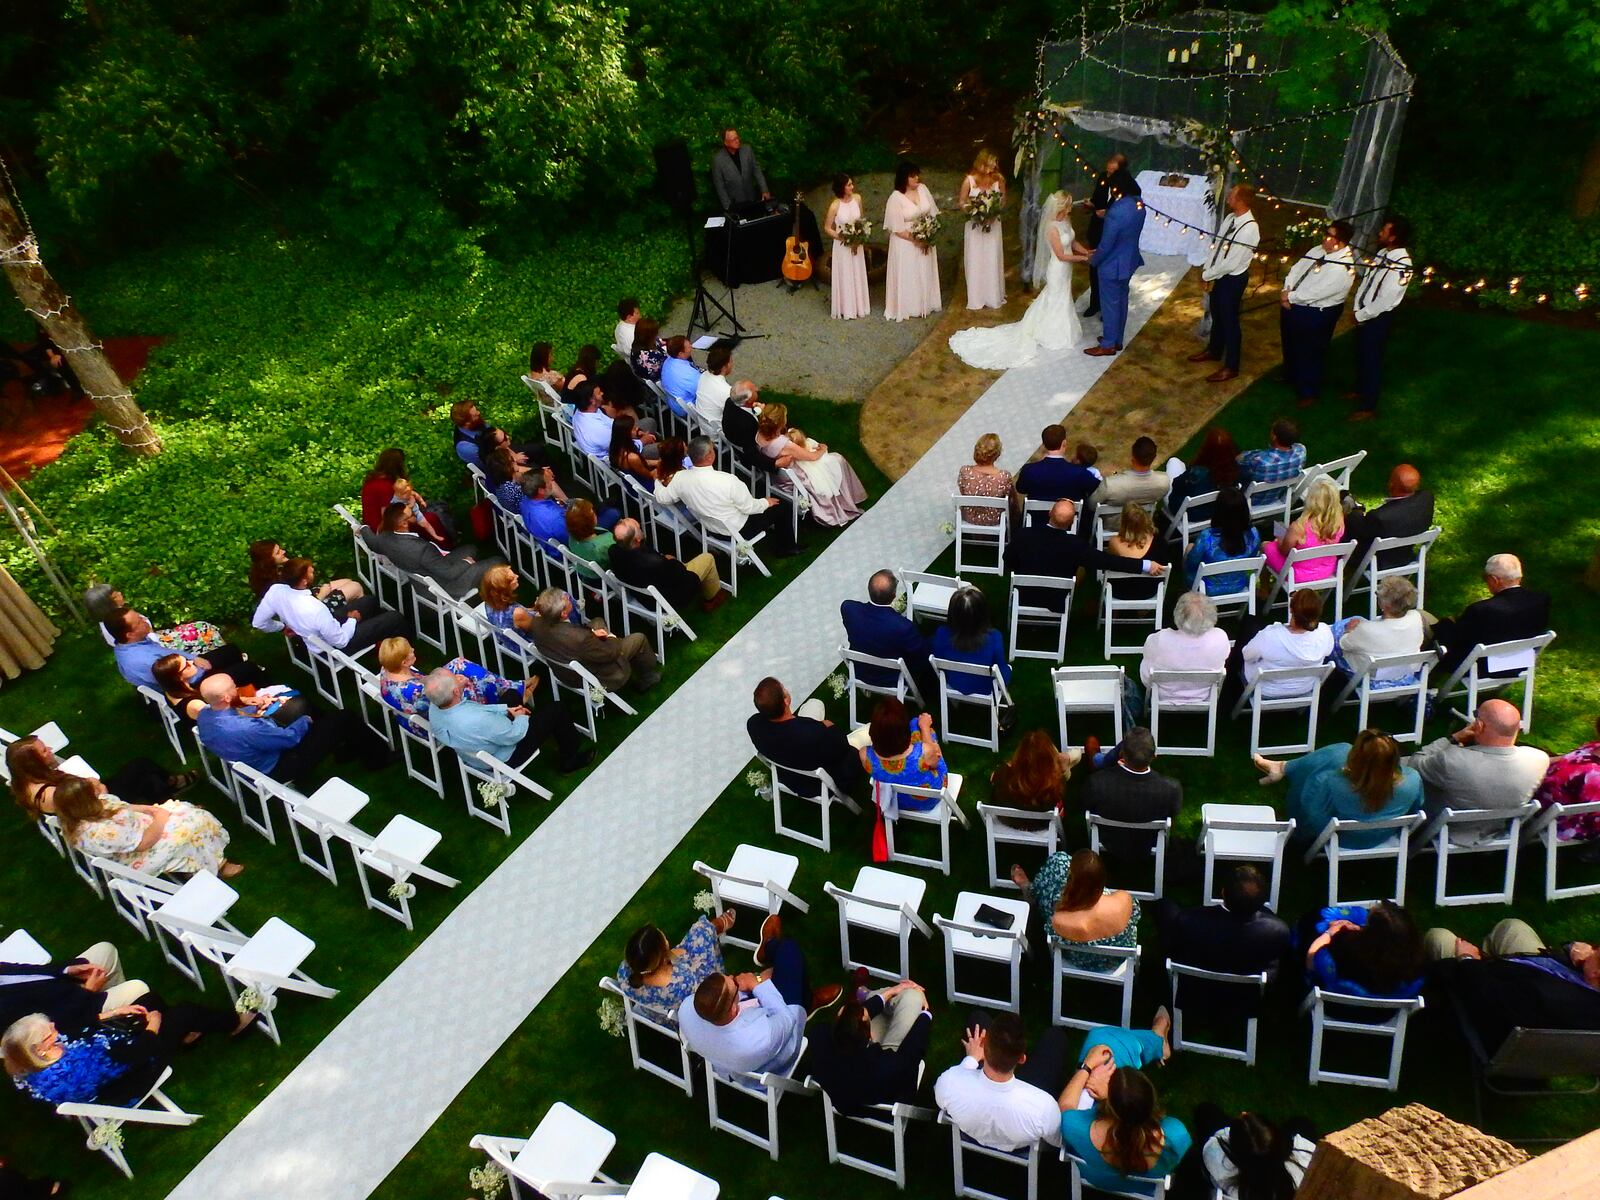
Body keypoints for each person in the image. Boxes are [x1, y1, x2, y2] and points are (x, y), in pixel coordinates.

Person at [4, 1000, 253, 1109]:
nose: (56, 1030)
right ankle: (236, 1024)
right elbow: (137, 1054)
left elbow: (75, 1030)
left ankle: (186, 1035)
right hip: (131, 1079)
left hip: (115, 1064)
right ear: (41, 1048)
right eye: (50, 1032)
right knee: (182, 1011)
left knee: (149, 1000)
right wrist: (153, 1025)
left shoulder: (26, 1062)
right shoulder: (81, 1064)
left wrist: (111, 1014)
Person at [1423, 918, 1600, 1056]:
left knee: (1438, 937)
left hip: (1493, 992)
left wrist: (1468, 959)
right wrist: (1572, 948)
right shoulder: (1589, 989)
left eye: (1596, 949)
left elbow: (1485, 995)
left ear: (1595, 973)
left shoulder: (1544, 997)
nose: (1591, 948)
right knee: (1513, 927)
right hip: (1534, 977)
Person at [949, 190, 1086, 368]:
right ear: (1062, 206)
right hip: (1059, 268)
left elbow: (1073, 243)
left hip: (1067, 269)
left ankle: (1054, 326)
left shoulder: (1066, 221)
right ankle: (1051, 332)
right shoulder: (1051, 228)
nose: (1070, 210)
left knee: (1061, 297)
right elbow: (1060, 255)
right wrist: (1082, 259)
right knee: (1055, 298)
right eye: (1068, 206)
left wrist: (1086, 251)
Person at [678, 936, 841, 1081]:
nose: (732, 977)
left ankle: (805, 996)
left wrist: (746, 986)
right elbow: (787, 1019)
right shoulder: (759, 1039)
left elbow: (722, 1003)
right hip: (777, 1049)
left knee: (779, 974)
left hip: (730, 1063)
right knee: (789, 950)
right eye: (733, 983)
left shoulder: (686, 1010)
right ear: (733, 1009)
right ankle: (770, 947)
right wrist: (757, 982)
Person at [197, 673, 385, 786]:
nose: (237, 688)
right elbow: (289, 738)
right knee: (343, 718)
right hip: (280, 765)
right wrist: (304, 720)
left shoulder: (204, 716)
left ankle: (344, 749)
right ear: (225, 698)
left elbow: (239, 719)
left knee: (317, 720)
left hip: (251, 758)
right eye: (233, 688)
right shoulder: (244, 728)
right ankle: (378, 758)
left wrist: (255, 708)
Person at [1254, 729, 1424, 847]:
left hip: (1341, 838)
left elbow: (1313, 818)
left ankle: (1284, 768)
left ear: (1356, 758)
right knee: (1338, 754)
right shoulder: (1413, 780)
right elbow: (1415, 810)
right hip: (1381, 835)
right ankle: (1283, 767)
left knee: (1337, 753)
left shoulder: (1333, 782)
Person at [933, 1010, 1073, 1151]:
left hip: (971, 1128)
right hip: (1020, 1140)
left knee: (978, 1017)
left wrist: (971, 1058)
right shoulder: (1043, 1107)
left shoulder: (949, 1083)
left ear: (984, 1049)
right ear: (1022, 1059)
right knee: (1055, 1036)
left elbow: (944, 1094)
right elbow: (1057, 1141)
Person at [52, 775, 239, 880]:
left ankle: (199, 854)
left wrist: (150, 809)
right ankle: (217, 865)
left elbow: (124, 807)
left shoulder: (81, 812)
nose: (100, 788)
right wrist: (161, 817)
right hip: (137, 856)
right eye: (94, 789)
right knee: (192, 827)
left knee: (181, 808)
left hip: (139, 830)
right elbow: (143, 843)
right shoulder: (98, 832)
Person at [422, 668, 591, 774]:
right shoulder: (477, 720)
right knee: (557, 709)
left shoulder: (435, 706)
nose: (460, 677)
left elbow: (477, 710)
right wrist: (520, 717)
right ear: (455, 693)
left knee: (511, 695)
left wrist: (506, 710)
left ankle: (522, 702)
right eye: (455, 678)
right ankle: (570, 759)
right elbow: (513, 735)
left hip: (474, 748)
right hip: (505, 755)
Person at [1409, 699, 1550, 825]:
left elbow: (1414, 764)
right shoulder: (1539, 759)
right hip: (1496, 827)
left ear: (1479, 725)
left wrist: (1454, 738)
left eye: (1476, 715)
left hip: (1448, 827)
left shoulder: (1452, 760)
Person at [1007, 499, 1163, 612]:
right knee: (1081, 570)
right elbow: (1108, 561)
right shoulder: (1076, 545)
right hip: (1056, 600)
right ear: (1071, 522)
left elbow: (1008, 560)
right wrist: (1146, 564)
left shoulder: (1023, 534)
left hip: (1023, 594)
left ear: (1050, 513)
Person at [653, 436, 800, 556]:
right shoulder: (728, 480)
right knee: (783, 506)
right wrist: (766, 502)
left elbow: (662, 498)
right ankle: (787, 547)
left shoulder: (679, 478)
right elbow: (749, 507)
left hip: (711, 529)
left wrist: (657, 479)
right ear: (710, 456)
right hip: (739, 530)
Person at [1156, 865, 1292, 993]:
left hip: (1195, 990)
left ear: (1223, 892)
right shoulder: (1277, 931)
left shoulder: (1189, 921)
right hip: (1244, 994)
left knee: (1165, 906)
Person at [809, 979, 933, 1118]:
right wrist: (925, 1013)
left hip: (848, 1097)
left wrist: (890, 993)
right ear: (869, 1036)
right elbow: (912, 1051)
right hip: (884, 1104)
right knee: (913, 997)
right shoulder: (889, 1066)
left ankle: (869, 995)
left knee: (897, 1001)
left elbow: (854, 1022)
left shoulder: (818, 1038)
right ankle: (871, 995)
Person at [1060, 1067, 1191, 1196]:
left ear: (1111, 1104)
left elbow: (1064, 1109)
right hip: (1144, 1188)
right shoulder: (1176, 1136)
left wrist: (1086, 1068)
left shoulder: (1076, 1128)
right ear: (1151, 1100)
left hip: (1096, 1179)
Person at [252, 557, 413, 654]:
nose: (313, 572)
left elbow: (259, 622)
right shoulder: (315, 608)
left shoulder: (275, 591)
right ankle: (403, 653)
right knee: (395, 618)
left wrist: (280, 627)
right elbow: (341, 641)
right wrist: (352, 620)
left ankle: (380, 641)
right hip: (332, 647)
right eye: (311, 572)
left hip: (321, 629)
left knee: (369, 601)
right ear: (303, 581)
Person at [7, 734, 195, 815]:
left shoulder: (27, 779)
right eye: (44, 752)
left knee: (143, 769)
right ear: (33, 762)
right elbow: (94, 806)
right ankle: (171, 801)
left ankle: (170, 789)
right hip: (101, 805)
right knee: (144, 772)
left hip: (89, 794)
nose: (49, 749)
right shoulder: (49, 795)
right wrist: (98, 787)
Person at [1016, 849, 1140, 971]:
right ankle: (1032, 890)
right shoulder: (1124, 900)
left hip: (1080, 961)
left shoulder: (1061, 920)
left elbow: (1050, 914)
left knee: (1055, 874)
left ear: (1070, 883)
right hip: (1116, 959)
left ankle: (1031, 890)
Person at [1431, 553, 1552, 676]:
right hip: (1520, 663)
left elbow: (1458, 640)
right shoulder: (1541, 601)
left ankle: (1425, 676)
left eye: (1486, 578)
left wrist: (1446, 623)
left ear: (1494, 580)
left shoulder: (1481, 610)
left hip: (1483, 668)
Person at [754, 401, 869, 527]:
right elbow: (812, 457)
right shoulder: (785, 444)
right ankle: (847, 501)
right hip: (794, 478)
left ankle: (847, 499)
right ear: (781, 422)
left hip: (776, 476)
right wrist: (823, 448)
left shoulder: (759, 435)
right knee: (837, 459)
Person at [524, 587, 660, 693]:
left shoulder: (536, 623)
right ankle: (648, 677)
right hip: (602, 672)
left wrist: (594, 635)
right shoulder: (581, 638)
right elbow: (610, 653)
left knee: (597, 621)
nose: (567, 597)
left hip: (566, 667)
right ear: (564, 614)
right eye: (565, 599)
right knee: (638, 638)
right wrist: (611, 638)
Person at [1080, 728, 1183, 867]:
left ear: (1121, 754)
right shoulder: (1171, 789)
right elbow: (1173, 813)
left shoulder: (1096, 783)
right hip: (1149, 841)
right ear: (1154, 756)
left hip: (1109, 839)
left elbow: (1085, 806)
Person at [1279, 220, 1356, 407]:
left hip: (1317, 312)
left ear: (1342, 242)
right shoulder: (1317, 251)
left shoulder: (1343, 267)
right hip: (1293, 303)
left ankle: (1309, 391)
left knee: (1311, 350)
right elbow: (1297, 268)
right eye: (1326, 234)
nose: (1325, 239)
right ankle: (1291, 374)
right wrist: (1286, 290)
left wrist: (1291, 297)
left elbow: (1318, 292)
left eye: (1331, 236)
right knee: (1290, 341)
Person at [0, 942, 149, 1036]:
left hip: (65, 986)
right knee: (137, 987)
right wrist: (86, 992)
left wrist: (68, 970)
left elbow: (30, 971)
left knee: (105, 950)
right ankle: (121, 1022)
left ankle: (121, 1020)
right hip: (73, 1014)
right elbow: (49, 1026)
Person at [1190, 184, 1261, 384]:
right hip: (1218, 274)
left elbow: (1232, 262)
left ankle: (1232, 366)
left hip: (1232, 279)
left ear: (1241, 200)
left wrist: (1208, 274)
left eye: (1232, 195)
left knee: (1230, 321)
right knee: (1217, 314)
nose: (1228, 197)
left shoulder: (1249, 229)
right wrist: (1208, 268)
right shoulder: (1230, 219)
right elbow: (1218, 246)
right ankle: (1214, 350)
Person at [104, 606, 265, 692]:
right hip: (192, 686)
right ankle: (269, 698)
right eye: (138, 622)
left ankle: (242, 689)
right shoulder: (142, 662)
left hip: (188, 667)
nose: (144, 620)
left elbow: (169, 653)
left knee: (231, 650)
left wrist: (194, 658)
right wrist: (202, 670)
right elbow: (179, 685)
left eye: (139, 617)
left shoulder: (136, 642)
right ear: (129, 634)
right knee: (248, 669)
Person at [746, 677, 864, 793]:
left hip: (790, 776)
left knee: (814, 703)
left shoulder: (753, 725)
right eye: (784, 688)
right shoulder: (813, 734)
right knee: (868, 730)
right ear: (786, 700)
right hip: (818, 782)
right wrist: (828, 726)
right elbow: (842, 746)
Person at [617, 910, 739, 1019]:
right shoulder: (682, 982)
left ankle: (714, 927)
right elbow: (700, 979)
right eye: (664, 939)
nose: (666, 940)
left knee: (695, 938)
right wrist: (677, 955)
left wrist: (671, 955)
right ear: (662, 956)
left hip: (658, 1012)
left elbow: (673, 958)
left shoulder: (624, 971)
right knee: (701, 932)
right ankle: (715, 926)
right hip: (697, 992)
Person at [1349, 216, 1413, 421]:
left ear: (1393, 237)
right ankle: (1359, 389)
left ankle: (1369, 405)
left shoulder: (1402, 266)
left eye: (1384, 231)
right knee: (1360, 354)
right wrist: (1357, 305)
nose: (1380, 233)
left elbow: (1385, 300)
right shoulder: (1383, 253)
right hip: (1365, 313)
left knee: (1372, 359)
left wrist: (1361, 315)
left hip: (1378, 319)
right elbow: (1369, 281)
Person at [365, 503, 501, 600]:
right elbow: (450, 573)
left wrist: (362, 528)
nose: (415, 513)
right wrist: (466, 563)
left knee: (471, 548)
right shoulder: (420, 549)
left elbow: (371, 541)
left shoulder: (383, 539)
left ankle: (484, 578)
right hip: (445, 585)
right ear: (404, 523)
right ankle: (493, 589)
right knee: (497, 561)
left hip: (427, 575)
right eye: (412, 514)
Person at [376, 637, 527, 723]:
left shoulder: (388, 668)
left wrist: (453, 678)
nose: (413, 650)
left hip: (414, 708)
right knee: (476, 681)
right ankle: (510, 694)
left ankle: (511, 687)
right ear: (403, 662)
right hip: (436, 715)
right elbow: (442, 700)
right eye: (410, 651)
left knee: (459, 663)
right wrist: (458, 684)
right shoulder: (414, 691)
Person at [151, 653, 308, 734]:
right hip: (235, 727)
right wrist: (258, 712)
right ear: (178, 677)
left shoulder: (171, 690)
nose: (192, 662)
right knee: (298, 706)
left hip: (232, 716)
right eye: (186, 665)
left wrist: (248, 699)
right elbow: (226, 719)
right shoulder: (195, 706)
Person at [840, 569, 934, 700]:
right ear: (894, 595)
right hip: (892, 677)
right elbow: (922, 654)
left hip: (861, 671)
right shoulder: (903, 627)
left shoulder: (848, 609)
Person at [1301, 900, 1425, 999]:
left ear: (1370, 936)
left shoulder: (1342, 952)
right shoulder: (1414, 969)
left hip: (1339, 1010)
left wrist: (1329, 933)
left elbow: (1312, 960)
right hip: (1384, 1016)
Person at [1084, 167, 1145, 356]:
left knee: (1110, 304)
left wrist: (1094, 259)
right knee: (1122, 300)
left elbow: (1106, 243)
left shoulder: (1116, 211)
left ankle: (1108, 344)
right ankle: (1117, 339)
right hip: (1129, 260)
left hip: (1112, 264)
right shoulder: (1139, 204)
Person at [1193, 1108, 1318, 1200]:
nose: (1243, 1112)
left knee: (1206, 1113)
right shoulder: (1307, 1158)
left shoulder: (1216, 1157)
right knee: (1301, 1123)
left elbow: (1217, 1140)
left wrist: (1239, 1130)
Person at [609, 517, 726, 614]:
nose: (641, 529)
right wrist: (670, 561)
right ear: (637, 539)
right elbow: (681, 573)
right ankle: (712, 599)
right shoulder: (655, 563)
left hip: (645, 595)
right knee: (708, 558)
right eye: (639, 528)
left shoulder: (613, 551)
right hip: (670, 596)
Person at [1140, 591, 1230, 711]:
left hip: (1163, 693)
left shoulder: (1162, 638)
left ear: (1178, 615)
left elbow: (1147, 656)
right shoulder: (1220, 637)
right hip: (1203, 693)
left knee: (1149, 662)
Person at [1236, 590, 1334, 698]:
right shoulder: (1325, 632)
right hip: (1304, 688)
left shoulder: (1271, 635)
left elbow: (1247, 656)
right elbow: (1328, 651)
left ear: (1291, 609)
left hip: (1265, 690)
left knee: (1249, 624)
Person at [860, 697, 948, 813]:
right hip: (929, 799)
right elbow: (936, 761)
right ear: (904, 732)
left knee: (914, 724)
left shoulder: (864, 754)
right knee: (922, 729)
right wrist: (925, 727)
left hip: (895, 800)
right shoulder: (923, 753)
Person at [84, 584, 225, 655]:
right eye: (115, 597)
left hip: (156, 640)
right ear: (106, 605)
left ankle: (220, 649)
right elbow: (149, 643)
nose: (120, 595)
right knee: (205, 631)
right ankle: (221, 653)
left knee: (201, 626)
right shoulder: (116, 626)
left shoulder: (117, 617)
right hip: (160, 647)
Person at [1330, 576, 1425, 682]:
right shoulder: (1416, 617)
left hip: (1369, 676)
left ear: (1386, 606)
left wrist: (1348, 630)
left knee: (1339, 630)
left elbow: (1344, 644)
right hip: (1403, 673)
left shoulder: (1366, 629)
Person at [1344, 463, 1435, 573]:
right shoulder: (1427, 499)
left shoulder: (1379, 517)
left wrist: (1355, 511)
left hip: (1378, 562)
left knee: (1348, 524)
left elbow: (1360, 531)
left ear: (1391, 485)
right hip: (1406, 556)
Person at [1262, 475, 1346, 585]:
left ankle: (1264, 589)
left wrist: (1279, 541)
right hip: (1324, 569)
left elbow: (1284, 552)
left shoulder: (1299, 527)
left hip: (1297, 573)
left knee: (1265, 546)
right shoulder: (1338, 522)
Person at [883, 160, 941, 322]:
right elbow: (897, 228)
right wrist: (917, 239)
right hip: (905, 242)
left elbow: (932, 214)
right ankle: (910, 306)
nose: (917, 178)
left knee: (924, 269)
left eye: (917, 175)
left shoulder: (923, 189)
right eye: (912, 176)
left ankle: (926, 302)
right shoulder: (895, 198)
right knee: (909, 272)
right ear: (904, 178)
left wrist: (929, 234)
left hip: (925, 236)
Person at [931, 586, 1010, 698]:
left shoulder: (941, 633)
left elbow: (940, 664)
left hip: (954, 682)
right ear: (983, 614)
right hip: (986, 687)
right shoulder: (994, 637)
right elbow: (1003, 675)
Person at [1183, 486, 1262, 595]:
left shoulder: (1206, 537)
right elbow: (1252, 557)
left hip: (1206, 587)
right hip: (1238, 584)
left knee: (1189, 548)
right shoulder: (1253, 534)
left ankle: (1187, 591)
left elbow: (1192, 563)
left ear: (1218, 511)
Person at [1533, 718, 1600, 845]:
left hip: (1544, 808)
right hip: (1563, 823)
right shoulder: (1594, 777)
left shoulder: (1591, 750)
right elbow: (1594, 821)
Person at [989, 730, 1077, 823]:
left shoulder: (1002, 774)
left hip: (1009, 824)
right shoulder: (1055, 786)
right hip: (1041, 828)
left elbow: (993, 778)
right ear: (1049, 762)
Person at [1015, 425, 1102, 515]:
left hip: (1034, 520)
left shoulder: (1029, 470)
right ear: (1064, 443)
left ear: (1044, 444)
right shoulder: (1080, 473)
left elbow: (1021, 489)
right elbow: (1099, 488)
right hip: (1068, 522)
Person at [958, 148, 1006, 310]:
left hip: (993, 225)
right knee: (976, 258)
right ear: (982, 163)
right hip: (975, 227)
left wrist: (992, 213)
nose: (994, 166)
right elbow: (962, 202)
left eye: (995, 163)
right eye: (992, 162)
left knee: (992, 257)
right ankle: (977, 296)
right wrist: (975, 212)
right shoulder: (970, 180)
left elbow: (1003, 201)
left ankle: (993, 295)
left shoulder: (999, 180)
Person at [1081, 152, 1127, 318]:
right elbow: (1097, 198)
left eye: (1112, 172)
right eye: (1107, 170)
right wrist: (1090, 204)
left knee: (1109, 270)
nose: (1108, 174)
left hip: (1112, 232)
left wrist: (1108, 213)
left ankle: (1108, 308)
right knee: (1094, 267)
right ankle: (1095, 303)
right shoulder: (1102, 177)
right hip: (1097, 229)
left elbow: (1125, 210)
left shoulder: (1126, 186)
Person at [1164, 427, 1240, 523]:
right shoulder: (1236, 470)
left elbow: (1176, 485)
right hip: (1216, 511)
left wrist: (1187, 477)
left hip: (1187, 514)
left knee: (1173, 461)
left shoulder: (1197, 474)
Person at [824, 173, 870, 320]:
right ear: (841, 187)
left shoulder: (857, 199)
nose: (852, 187)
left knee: (857, 270)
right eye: (849, 185)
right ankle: (847, 307)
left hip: (857, 242)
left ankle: (860, 305)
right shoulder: (835, 205)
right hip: (843, 245)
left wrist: (859, 236)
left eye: (852, 184)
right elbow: (827, 227)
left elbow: (861, 220)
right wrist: (843, 237)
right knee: (846, 273)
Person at [1106, 503, 1170, 602]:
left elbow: (1109, 564)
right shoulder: (1160, 542)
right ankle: (1143, 612)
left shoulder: (1114, 543)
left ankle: (1114, 613)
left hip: (1119, 591)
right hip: (1148, 591)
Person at [1093, 436, 1170, 514]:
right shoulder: (1164, 482)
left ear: (1132, 457)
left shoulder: (1110, 484)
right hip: (1142, 522)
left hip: (1112, 525)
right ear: (1154, 458)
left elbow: (1092, 505)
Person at [1236, 418, 1306, 502]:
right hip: (1277, 496)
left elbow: (1239, 462)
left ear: (1274, 437)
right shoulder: (1301, 451)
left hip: (1252, 500)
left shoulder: (1260, 461)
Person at [956, 432, 1013, 526]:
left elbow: (963, 492)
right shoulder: (1004, 476)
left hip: (969, 518)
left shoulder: (965, 471)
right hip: (995, 520)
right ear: (997, 454)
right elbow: (1007, 499)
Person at [710, 126, 770, 212]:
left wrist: (764, 190)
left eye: (737, 137)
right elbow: (719, 186)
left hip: (751, 198)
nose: (737, 141)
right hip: (735, 204)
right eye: (733, 139)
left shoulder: (747, 150)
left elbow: (757, 171)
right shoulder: (718, 160)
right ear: (726, 143)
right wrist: (728, 207)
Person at [694, 343, 734, 432]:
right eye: (731, 361)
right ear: (725, 366)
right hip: (718, 433)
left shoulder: (704, 375)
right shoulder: (726, 391)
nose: (732, 364)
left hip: (704, 427)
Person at [564, 498, 614, 570]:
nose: (595, 515)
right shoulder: (606, 544)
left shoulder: (571, 539)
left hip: (583, 572)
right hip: (600, 576)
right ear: (589, 523)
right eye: (593, 514)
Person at [659, 335, 700, 416]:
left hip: (673, 402)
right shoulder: (688, 374)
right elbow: (701, 390)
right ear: (680, 353)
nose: (691, 347)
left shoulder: (667, 361)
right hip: (685, 409)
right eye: (688, 347)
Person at [628, 316, 665, 382]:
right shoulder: (651, 357)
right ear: (650, 336)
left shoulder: (637, 345)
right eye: (655, 333)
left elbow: (659, 342)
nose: (657, 334)